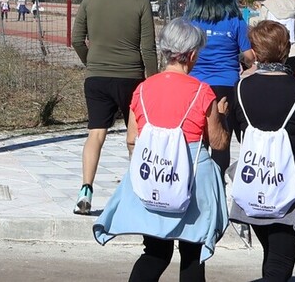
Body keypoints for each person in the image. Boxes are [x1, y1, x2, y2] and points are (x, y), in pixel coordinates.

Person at [94, 19, 230, 282]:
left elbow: (132, 139)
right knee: (192, 253)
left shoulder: (143, 89)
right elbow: (218, 143)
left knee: (155, 252)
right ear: (191, 55)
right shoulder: (203, 92)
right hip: (191, 180)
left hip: (154, 175)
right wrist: (221, 116)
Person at [229, 21, 295, 281]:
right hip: (291, 178)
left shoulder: (239, 89)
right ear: (286, 50)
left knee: (271, 252)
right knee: (280, 262)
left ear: (256, 52)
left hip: (254, 179)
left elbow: (240, 132)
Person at [72, 0, 158, 215]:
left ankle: (85, 189)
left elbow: (77, 39)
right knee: (134, 137)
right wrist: (152, 83)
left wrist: (92, 63)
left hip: (96, 77)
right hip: (130, 78)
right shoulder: (140, 2)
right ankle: (137, 193)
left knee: (96, 133)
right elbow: (148, 49)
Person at [184, 0, 255, 176]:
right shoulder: (235, 20)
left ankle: (197, 177)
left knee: (197, 136)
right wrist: (243, 61)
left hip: (196, 85)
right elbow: (249, 55)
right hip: (226, 85)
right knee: (222, 137)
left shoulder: (190, 20)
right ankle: (218, 181)